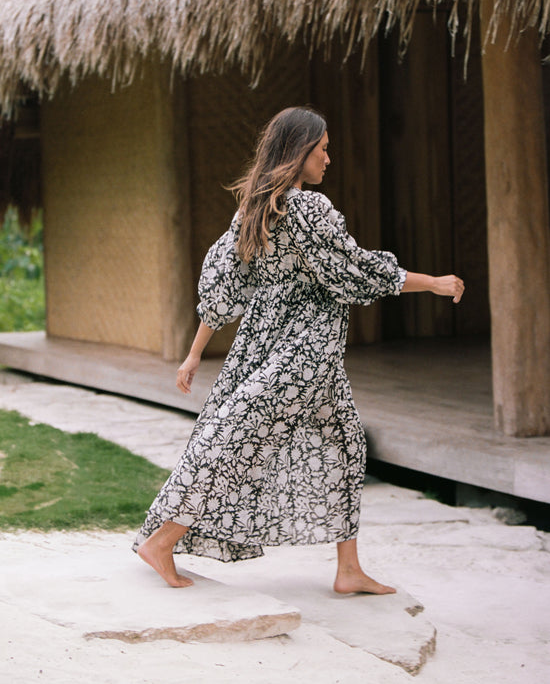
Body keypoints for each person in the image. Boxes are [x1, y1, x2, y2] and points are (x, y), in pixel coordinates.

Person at [132, 106, 464, 592]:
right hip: (301, 354)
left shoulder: (255, 208)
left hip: (291, 352)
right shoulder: (306, 209)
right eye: (323, 148)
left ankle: (348, 570)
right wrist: (431, 282)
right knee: (236, 439)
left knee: (346, 443)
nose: (329, 158)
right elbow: (357, 270)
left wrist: (194, 352)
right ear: (298, 151)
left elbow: (225, 287)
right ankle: (163, 540)